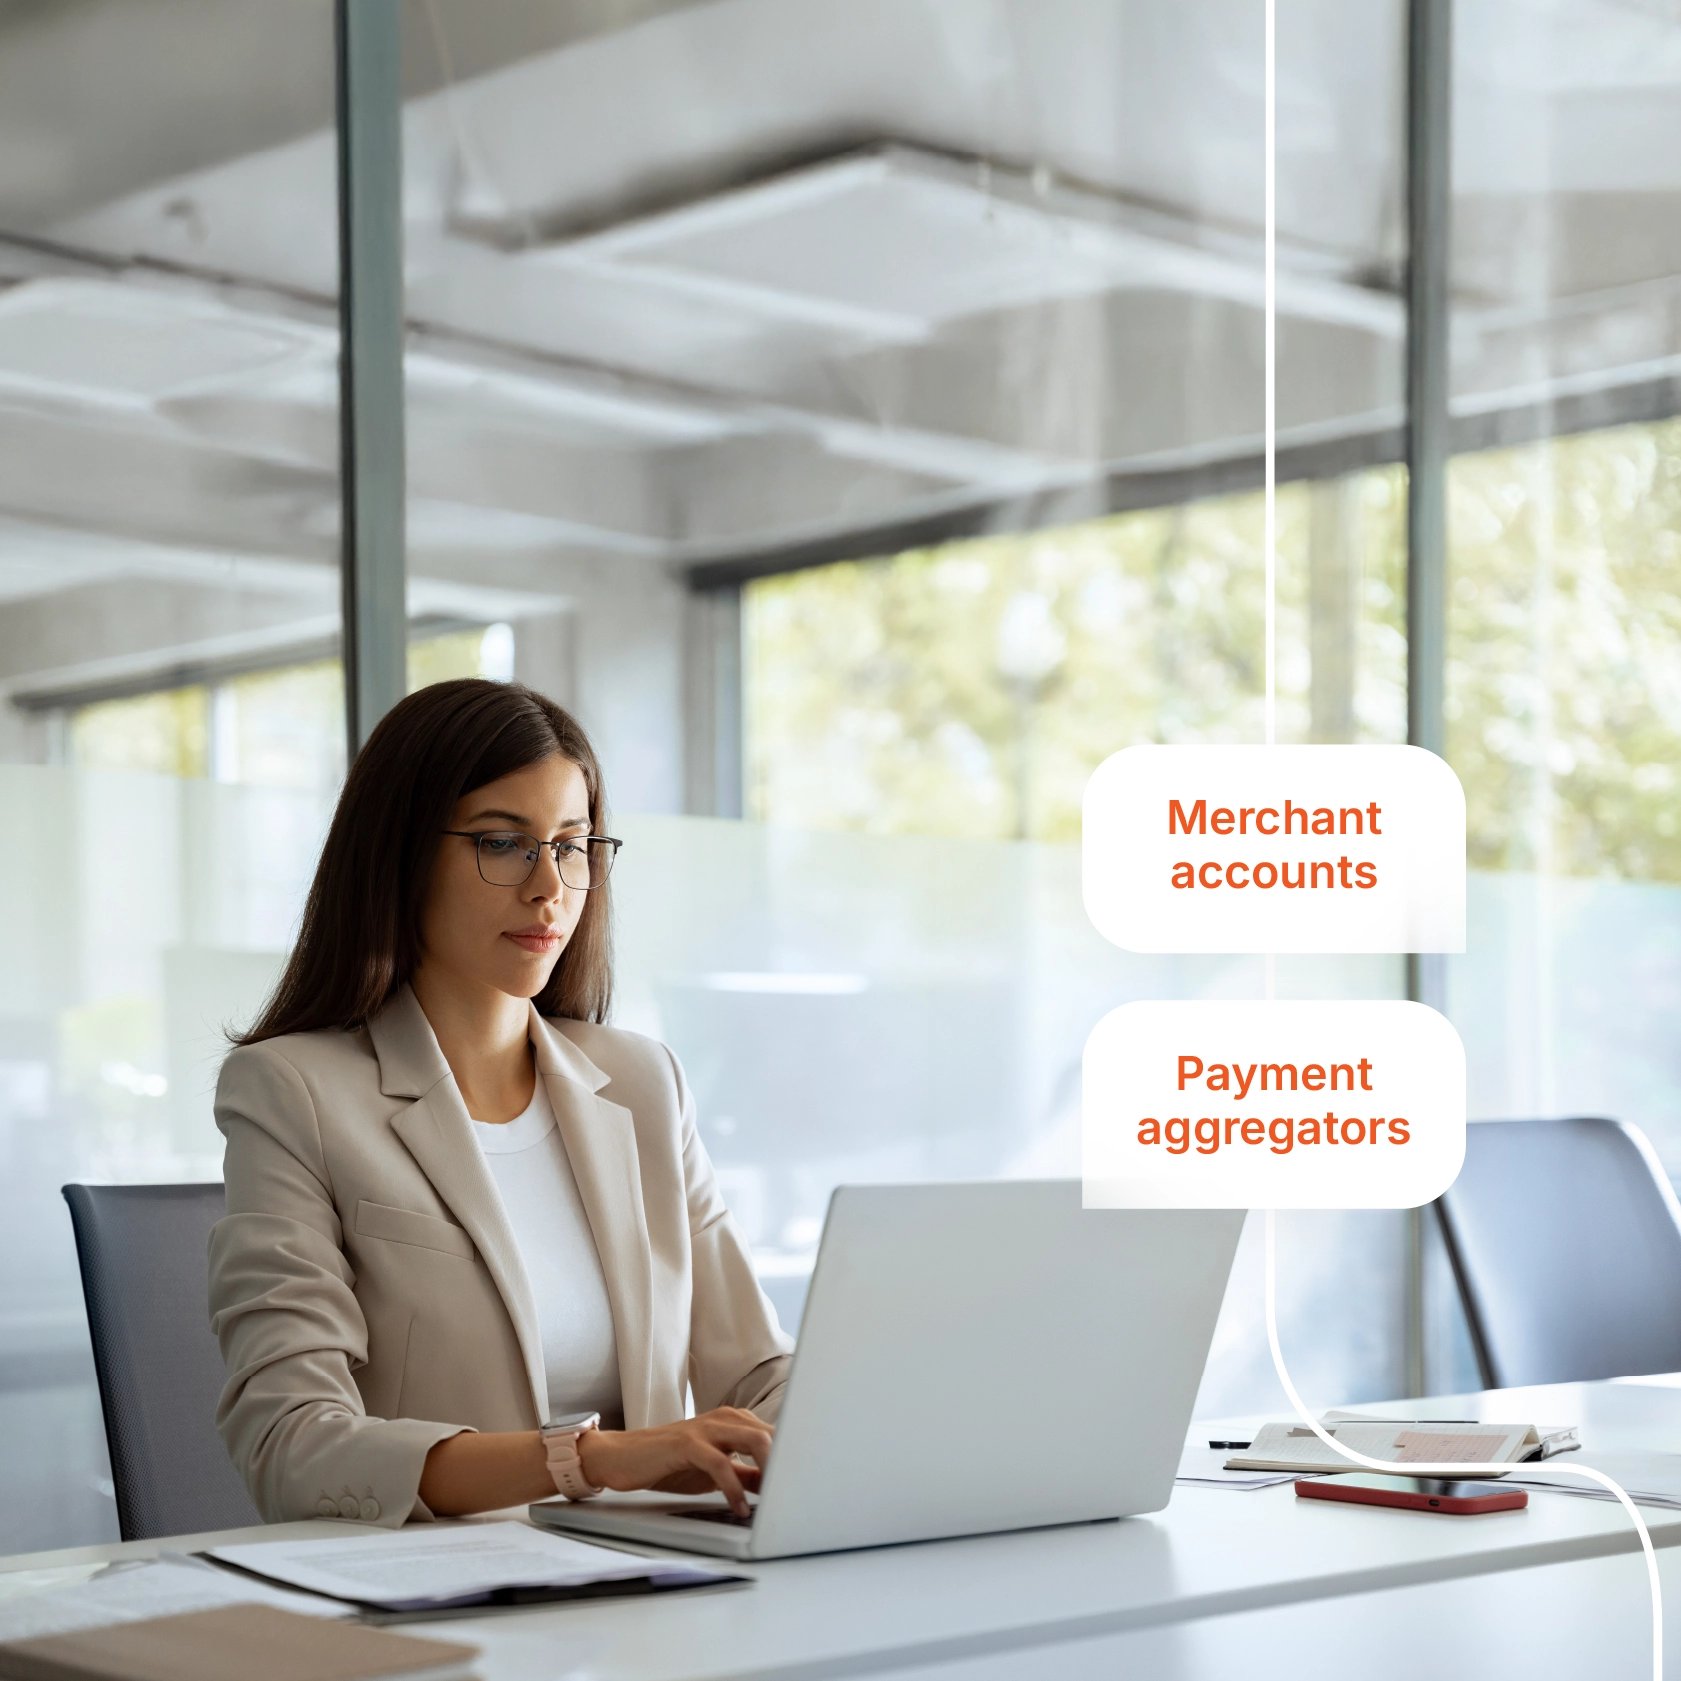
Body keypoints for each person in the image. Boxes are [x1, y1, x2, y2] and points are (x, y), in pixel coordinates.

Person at [208, 678, 791, 1529]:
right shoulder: (293, 1091)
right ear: (402, 855)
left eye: (572, 845)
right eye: (502, 843)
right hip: (441, 1582)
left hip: (656, 1572)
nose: (548, 886)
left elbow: (760, 1373)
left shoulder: (642, 1083)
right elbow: (291, 1441)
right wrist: (590, 1460)